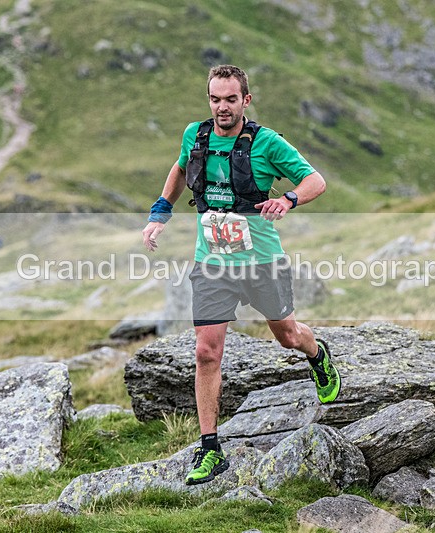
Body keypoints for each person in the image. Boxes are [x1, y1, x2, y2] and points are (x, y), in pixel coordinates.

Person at [141, 65, 341, 486]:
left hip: (260, 261)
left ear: (245, 100)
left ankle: (317, 355)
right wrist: (161, 211)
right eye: (215, 99)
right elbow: (180, 170)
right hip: (212, 261)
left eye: (231, 99)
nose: (222, 107)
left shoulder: (266, 142)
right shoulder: (195, 135)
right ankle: (210, 448)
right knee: (206, 352)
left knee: (286, 334)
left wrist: (288, 199)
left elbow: (315, 180)